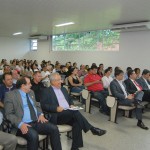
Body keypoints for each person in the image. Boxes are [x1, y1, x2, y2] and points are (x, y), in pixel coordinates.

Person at [40, 73, 106, 150]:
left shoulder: (63, 89)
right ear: (52, 81)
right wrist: (55, 108)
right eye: (58, 80)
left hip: (68, 113)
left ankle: (75, 148)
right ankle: (92, 129)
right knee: (75, 112)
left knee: (77, 122)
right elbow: (43, 105)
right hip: (57, 115)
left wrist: (71, 105)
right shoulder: (46, 91)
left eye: (60, 79)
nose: (61, 81)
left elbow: (69, 99)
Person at [4, 76, 62, 150]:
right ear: (23, 86)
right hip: (22, 124)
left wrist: (40, 114)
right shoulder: (10, 95)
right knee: (33, 135)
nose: (31, 85)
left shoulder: (31, 92)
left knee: (54, 128)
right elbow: (9, 114)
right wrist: (20, 124)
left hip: (36, 121)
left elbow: (37, 105)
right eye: (29, 84)